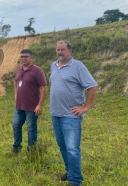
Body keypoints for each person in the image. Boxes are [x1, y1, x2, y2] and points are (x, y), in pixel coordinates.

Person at [49, 40, 97, 186]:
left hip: (70, 116)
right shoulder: (54, 66)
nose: (60, 52)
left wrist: (85, 107)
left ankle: (75, 181)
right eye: (58, 50)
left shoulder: (78, 66)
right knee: (63, 146)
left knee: (72, 148)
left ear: (70, 51)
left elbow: (92, 86)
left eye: (63, 49)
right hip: (55, 113)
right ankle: (70, 172)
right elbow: (52, 83)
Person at [11, 49, 47, 153]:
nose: (23, 59)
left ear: (31, 58)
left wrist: (40, 105)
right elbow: (15, 82)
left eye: (26, 56)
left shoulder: (37, 71)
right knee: (16, 125)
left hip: (32, 107)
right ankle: (16, 148)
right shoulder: (19, 69)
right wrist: (16, 94)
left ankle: (31, 151)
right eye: (22, 57)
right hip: (19, 106)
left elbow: (44, 88)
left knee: (31, 129)